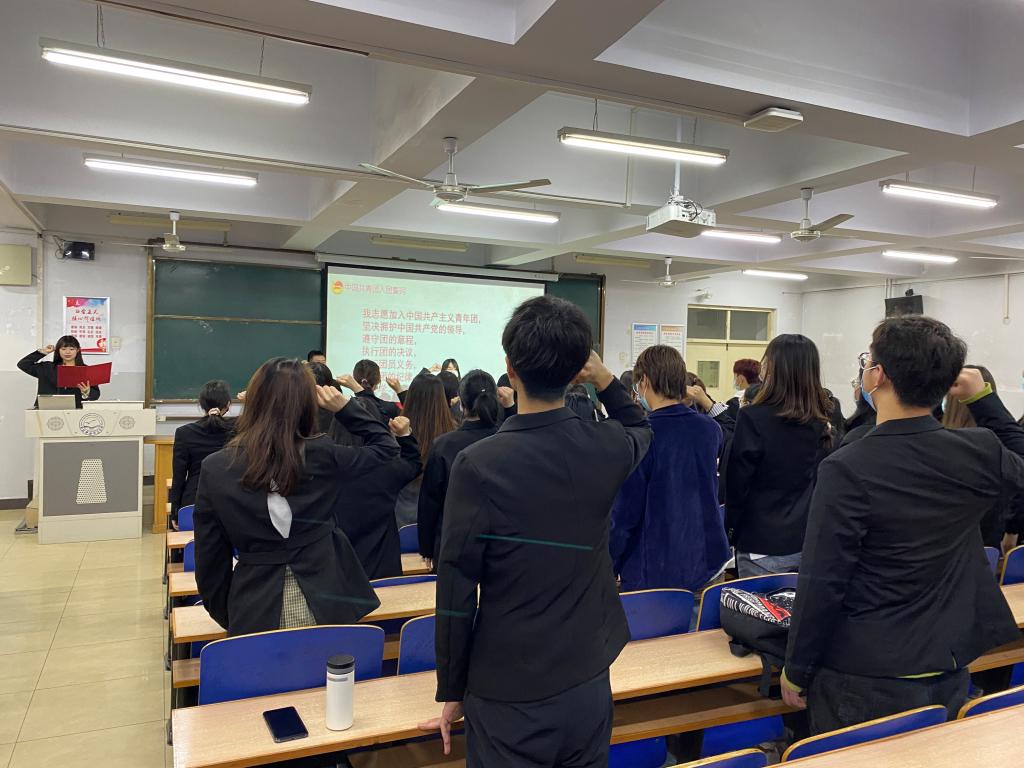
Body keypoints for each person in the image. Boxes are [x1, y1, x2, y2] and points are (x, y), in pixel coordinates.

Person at [421, 296, 652, 767]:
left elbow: (457, 585)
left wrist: (453, 687)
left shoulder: (479, 464)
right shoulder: (606, 445)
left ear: (510, 369)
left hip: (510, 687)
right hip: (589, 674)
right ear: (576, 372)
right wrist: (605, 379)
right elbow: (639, 424)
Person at [782, 317, 1024, 734]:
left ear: (877, 376)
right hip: (948, 658)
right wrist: (984, 400)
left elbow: (824, 578)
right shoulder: (979, 450)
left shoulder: (848, 466)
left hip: (867, 667)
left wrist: (796, 667)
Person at [193, 358, 399, 636]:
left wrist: (230, 613)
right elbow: (387, 447)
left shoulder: (216, 467)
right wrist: (346, 408)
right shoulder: (322, 453)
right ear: (307, 404)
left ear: (252, 400)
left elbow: (210, 559)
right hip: (331, 599)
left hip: (255, 603)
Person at [610, 346, 728, 593]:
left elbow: (625, 513)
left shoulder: (643, 436)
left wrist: (610, 563)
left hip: (656, 569)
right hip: (708, 559)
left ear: (644, 382)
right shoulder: (710, 429)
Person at [725, 334, 835, 576]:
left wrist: (731, 531)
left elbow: (737, 485)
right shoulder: (820, 421)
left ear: (773, 367)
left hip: (760, 543)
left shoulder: (752, 417)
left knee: (757, 602)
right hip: (805, 541)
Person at [417, 370, 501, 568]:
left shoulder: (443, 445)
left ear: (461, 403)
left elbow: (430, 503)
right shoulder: (508, 439)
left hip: (452, 548)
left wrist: (427, 547)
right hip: (501, 548)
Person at [392, 373, 458, 529]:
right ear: (441, 399)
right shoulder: (452, 434)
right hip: (438, 522)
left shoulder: (395, 433)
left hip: (400, 520)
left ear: (410, 398)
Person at [168, 379, 234, 531]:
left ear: (201, 405)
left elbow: (178, 477)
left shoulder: (184, 433)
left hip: (194, 501)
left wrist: (175, 512)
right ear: (228, 405)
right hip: (231, 499)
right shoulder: (239, 428)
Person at [18, 336, 100, 408]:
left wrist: (87, 392)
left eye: (71, 349)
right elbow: (23, 364)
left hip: (75, 412)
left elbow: (96, 395)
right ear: (58, 350)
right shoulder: (47, 367)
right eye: (63, 349)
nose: (67, 352)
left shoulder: (86, 371)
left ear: (78, 350)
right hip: (47, 411)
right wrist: (43, 352)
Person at [337, 359, 401, 421]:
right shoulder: (391, 408)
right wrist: (400, 391)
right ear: (378, 380)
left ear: (354, 379)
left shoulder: (344, 408)